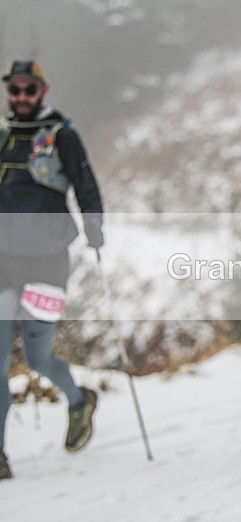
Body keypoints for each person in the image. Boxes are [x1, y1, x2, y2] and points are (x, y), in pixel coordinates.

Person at [0, 60, 103, 480]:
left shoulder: (62, 134)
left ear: (42, 90)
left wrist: (95, 228)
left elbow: (86, 185)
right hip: (4, 262)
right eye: (15, 89)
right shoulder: (4, 135)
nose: (21, 96)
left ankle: (79, 401)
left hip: (48, 261)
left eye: (30, 89)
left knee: (37, 357)